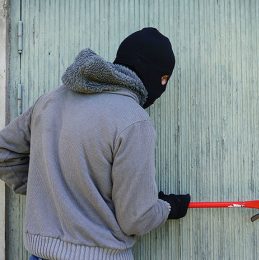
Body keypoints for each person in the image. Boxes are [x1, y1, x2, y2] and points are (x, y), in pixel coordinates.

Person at [0, 27, 190, 260]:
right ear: (154, 74)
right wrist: (167, 207)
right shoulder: (133, 120)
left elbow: (4, 153)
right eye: (164, 79)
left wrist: (50, 188)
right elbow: (136, 218)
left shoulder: (50, 101)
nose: (162, 87)